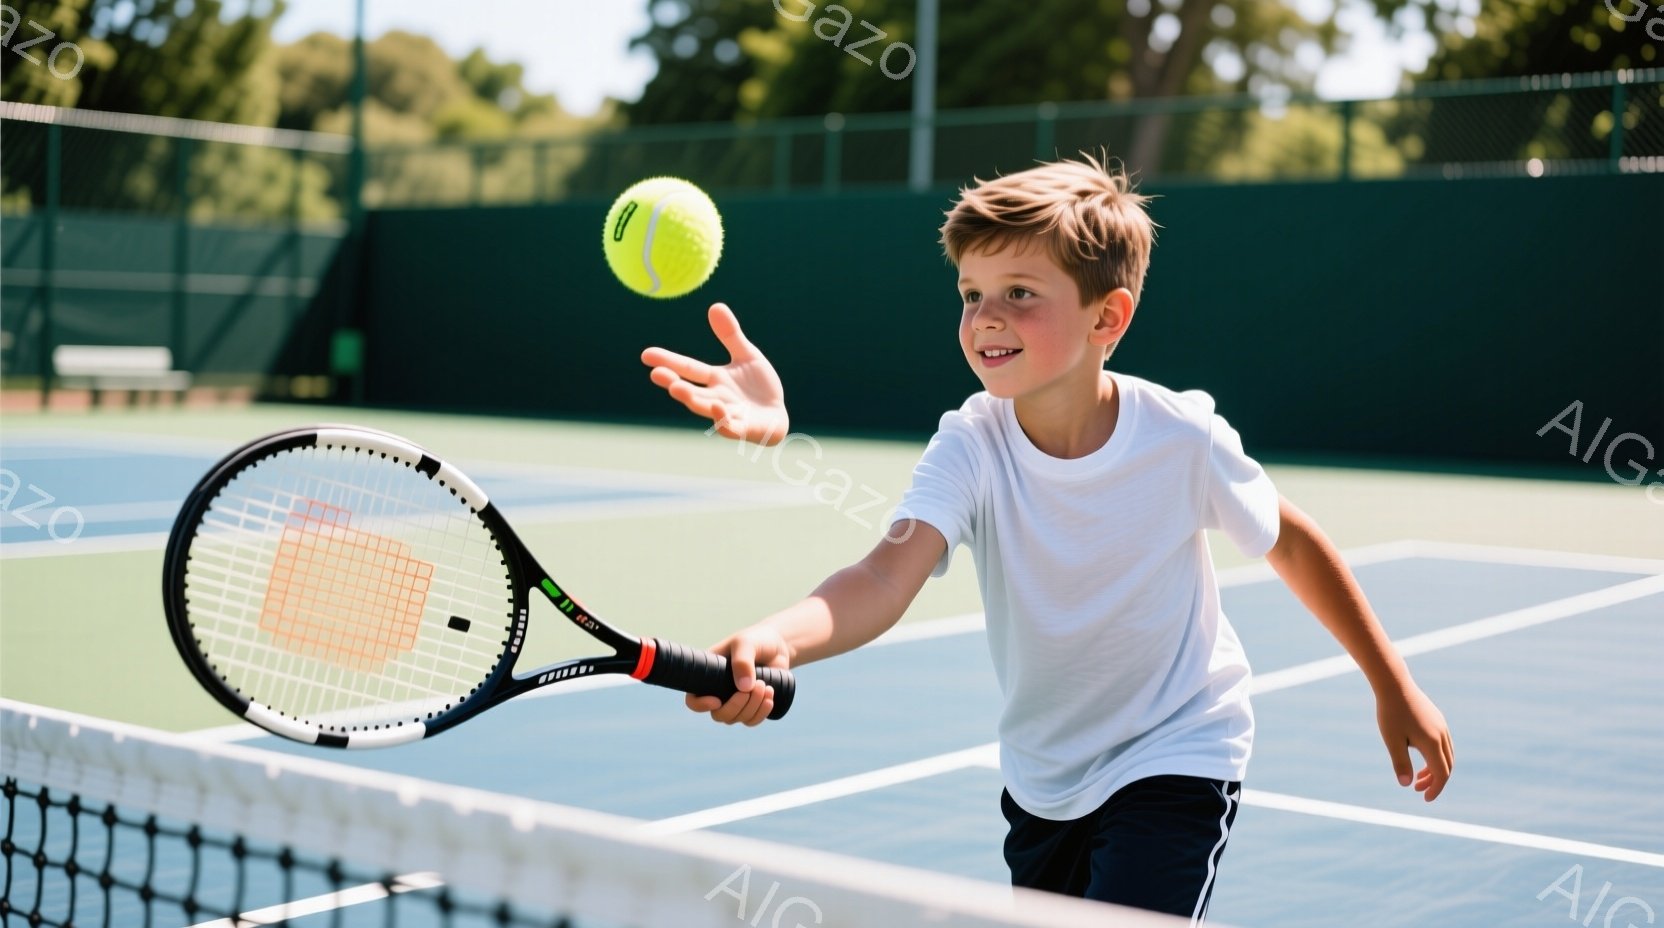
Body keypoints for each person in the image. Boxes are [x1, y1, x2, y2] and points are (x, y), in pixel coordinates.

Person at [639, 153, 1453, 922]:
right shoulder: (969, 442)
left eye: (1020, 292)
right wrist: (778, 637)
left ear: (1110, 316)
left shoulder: (1183, 439)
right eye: (970, 294)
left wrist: (1392, 682)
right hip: (1043, 781)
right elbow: (886, 576)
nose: (986, 317)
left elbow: (1293, 542)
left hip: (1179, 748)